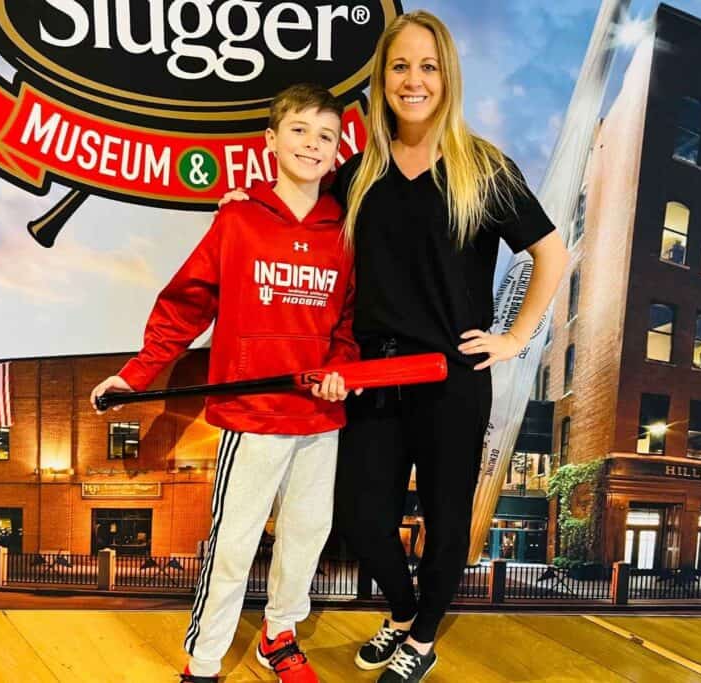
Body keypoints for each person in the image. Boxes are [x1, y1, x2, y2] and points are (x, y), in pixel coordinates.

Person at [221, 11, 568, 682]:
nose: (414, 80)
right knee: (359, 514)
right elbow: (299, 216)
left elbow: (551, 252)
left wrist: (516, 336)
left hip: (451, 375)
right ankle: (405, 613)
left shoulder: (484, 168)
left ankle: (423, 638)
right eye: (400, 66)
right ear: (382, 80)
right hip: (372, 373)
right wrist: (248, 201)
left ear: (448, 78)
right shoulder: (357, 174)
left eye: (428, 66)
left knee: (444, 521)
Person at [90, 83, 360, 683]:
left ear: (338, 149)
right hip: (253, 416)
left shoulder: (343, 233)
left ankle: (280, 636)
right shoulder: (238, 219)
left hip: (320, 419)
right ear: (271, 139)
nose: (312, 144)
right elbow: (185, 305)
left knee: (307, 536)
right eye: (299, 130)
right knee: (233, 546)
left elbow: (345, 320)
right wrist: (135, 375)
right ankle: (205, 661)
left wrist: (340, 367)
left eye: (325, 135)